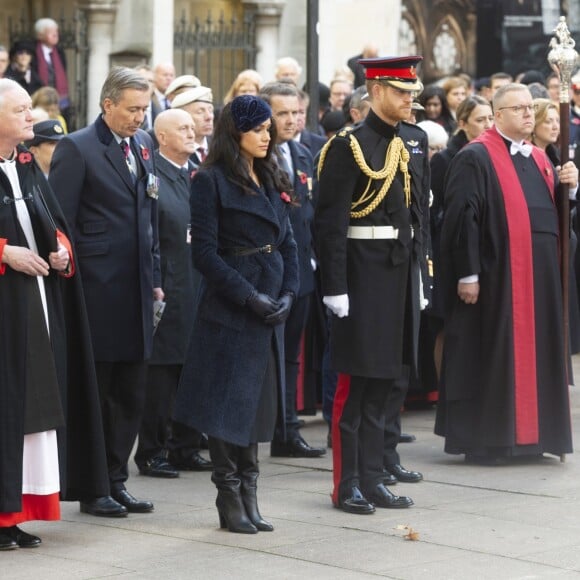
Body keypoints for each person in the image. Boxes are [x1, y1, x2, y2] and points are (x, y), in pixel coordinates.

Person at [172, 95, 299, 534]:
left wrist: (288, 292)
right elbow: (205, 254)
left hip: (269, 303)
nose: (268, 136)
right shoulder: (210, 180)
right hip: (232, 305)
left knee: (258, 407)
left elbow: (288, 243)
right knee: (228, 405)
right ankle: (229, 495)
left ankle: (250, 491)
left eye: (270, 129)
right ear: (235, 132)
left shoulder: (267, 175)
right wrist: (249, 297)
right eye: (259, 128)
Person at [435, 83, 578, 464]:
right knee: (495, 356)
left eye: (531, 108)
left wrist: (570, 190)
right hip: (497, 280)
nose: (529, 114)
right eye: (519, 109)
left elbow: (554, 219)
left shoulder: (540, 159)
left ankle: (535, 438)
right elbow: (462, 219)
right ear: (498, 116)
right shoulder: (476, 157)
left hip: (539, 281)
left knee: (537, 355)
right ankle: (493, 441)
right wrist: (467, 274)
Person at [315, 56, 431, 514]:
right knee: (355, 387)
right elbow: (329, 222)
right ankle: (348, 484)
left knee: (386, 384)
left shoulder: (404, 144)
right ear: (376, 91)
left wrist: (420, 275)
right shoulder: (349, 145)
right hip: (361, 275)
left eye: (411, 93)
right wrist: (335, 285)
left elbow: (415, 215)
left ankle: (375, 475)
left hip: (397, 273)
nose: (409, 100)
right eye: (402, 92)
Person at [0, 79, 109, 548]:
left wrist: (60, 251)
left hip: (32, 300)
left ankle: (15, 511)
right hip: (6, 305)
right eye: (21, 109)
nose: (32, 117)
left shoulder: (24, 163)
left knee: (31, 407)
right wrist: (5, 254)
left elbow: (53, 221)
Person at [49, 67, 162, 516]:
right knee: (96, 394)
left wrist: (156, 281)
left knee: (130, 393)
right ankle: (92, 486)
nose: (140, 117)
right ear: (107, 104)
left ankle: (117, 479)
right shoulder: (78, 148)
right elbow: (61, 223)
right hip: (96, 292)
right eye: (132, 109)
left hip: (136, 292)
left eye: (145, 108)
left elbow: (148, 218)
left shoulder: (144, 145)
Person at [134, 108, 212, 478]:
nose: (191, 132)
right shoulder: (152, 177)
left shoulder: (195, 173)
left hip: (197, 283)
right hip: (168, 284)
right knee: (162, 374)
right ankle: (152, 450)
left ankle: (186, 445)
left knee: (193, 370)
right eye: (182, 127)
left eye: (192, 127)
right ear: (161, 137)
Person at [259, 81, 326, 459]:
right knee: (264, 355)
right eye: (281, 113)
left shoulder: (302, 153)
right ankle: (260, 429)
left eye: (296, 112)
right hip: (268, 271)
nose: (291, 120)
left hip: (300, 270)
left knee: (291, 356)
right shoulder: (254, 155)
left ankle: (287, 431)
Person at [32, 18, 70, 126]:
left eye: (56, 31)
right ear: (40, 35)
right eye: (50, 32)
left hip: (59, 98)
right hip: (41, 99)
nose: (55, 34)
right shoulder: (33, 52)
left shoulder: (59, 51)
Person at [171, 86, 214, 165]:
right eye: (200, 112)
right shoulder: (174, 150)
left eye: (210, 110)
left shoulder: (219, 146)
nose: (209, 117)